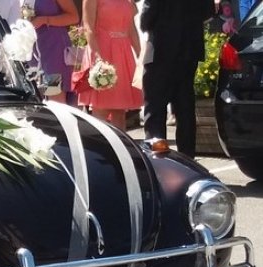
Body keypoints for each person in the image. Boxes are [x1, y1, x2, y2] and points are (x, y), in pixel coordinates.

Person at [141, 0, 215, 157]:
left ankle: (159, 158)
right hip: (189, 48)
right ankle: (187, 159)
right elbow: (208, 11)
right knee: (185, 108)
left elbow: (147, 16)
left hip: (161, 48)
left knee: (155, 110)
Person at [78, 0, 143, 130]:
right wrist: (98, 60)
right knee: (101, 108)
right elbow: (88, 28)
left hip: (123, 54)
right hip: (102, 51)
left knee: (120, 110)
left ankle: (121, 147)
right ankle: (101, 147)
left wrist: (140, 56)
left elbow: (131, 29)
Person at [27, 0, 79, 103]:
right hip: (32, 52)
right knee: (34, 99)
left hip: (54, 53)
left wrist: (44, 20)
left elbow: (74, 17)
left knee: (54, 97)